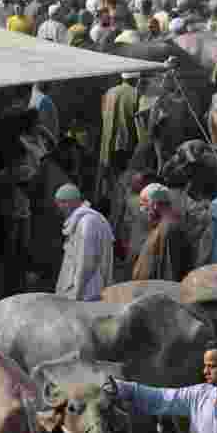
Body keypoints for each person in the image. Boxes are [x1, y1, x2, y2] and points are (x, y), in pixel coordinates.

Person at [54, 183, 114, 301]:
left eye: (59, 204)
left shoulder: (87, 222)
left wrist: (76, 294)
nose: (59, 209)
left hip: (87, 293)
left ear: (67, 203)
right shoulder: (82, 220)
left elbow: (86, 263)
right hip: (83, 292)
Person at [131, 184, 194, 283]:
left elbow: (170, 273)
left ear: (155, 205)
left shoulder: (169, 229)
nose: (141, 210)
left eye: (144, 206)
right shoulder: (163, 226)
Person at [98, 71, 141, 201]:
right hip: (127, 146)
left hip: (107, 145)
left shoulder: (109, 92)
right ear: (136, 79)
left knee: (109, 182)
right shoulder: (136, 94)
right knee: (124, 184)